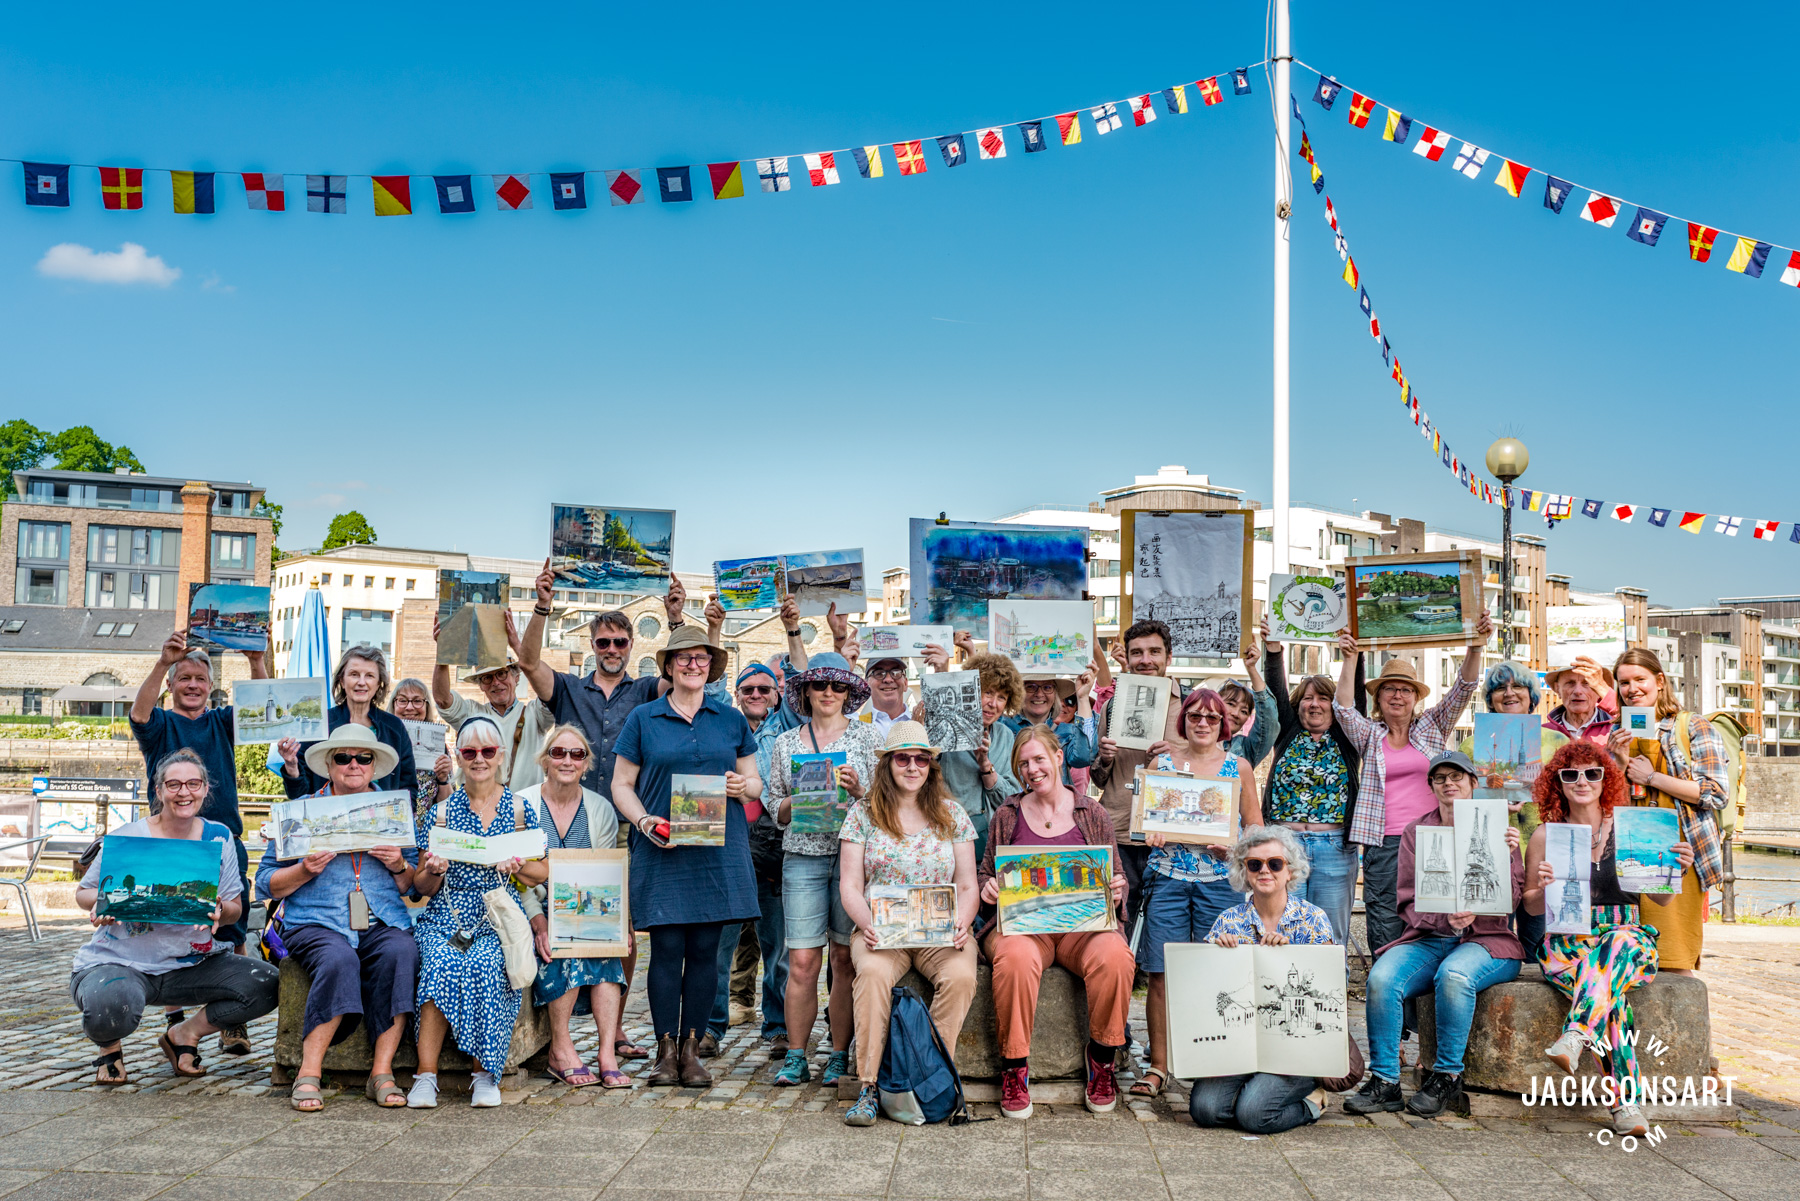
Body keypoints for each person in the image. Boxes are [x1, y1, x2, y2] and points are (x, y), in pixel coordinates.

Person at [517, 559, 720, 1063]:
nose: (611, 650)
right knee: (566, 915)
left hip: (634, 821)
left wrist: (678, 618)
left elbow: (688, 678)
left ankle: (619, 1028)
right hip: (573, 815)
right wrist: (542, 606)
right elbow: (527, 661)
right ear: (593, 645)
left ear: (632, 648)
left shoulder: (646, 690)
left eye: (620, 643)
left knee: (623, 929)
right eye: (603, 642)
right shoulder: (567, 688)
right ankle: (561, 1030)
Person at [608, 626, 762, 1089]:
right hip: (663, 847)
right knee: (668, 950)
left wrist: (742, 786)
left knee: (703, 952)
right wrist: (642, 822)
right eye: (683, 658)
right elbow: (620, 785)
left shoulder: (730, 717)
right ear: (669, 664)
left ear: (711, 665)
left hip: (718, 851)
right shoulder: (644, 718)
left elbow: (755, 783)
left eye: (701, 658)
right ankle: (665, 1050)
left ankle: (693, 1050)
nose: (693, 665)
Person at [71, 749, 279, 1085]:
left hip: (192, 964)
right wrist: (105, 903)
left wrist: (221, 911)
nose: (184, 792)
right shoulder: (129, 835)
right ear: (159, 790)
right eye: (174, 784)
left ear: (206, 789)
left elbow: (235, 907)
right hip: (122, 962)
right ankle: (109, 1049)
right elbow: (83, 893)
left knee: (267, 984)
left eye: (193, 784)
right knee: (108, 1005)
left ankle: (184, 1034)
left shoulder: (219, 836)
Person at [1524, 740, 1693, 1137]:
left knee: (1617, 946)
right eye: (1571, 774)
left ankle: (1577, 1034)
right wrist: (1546, 888)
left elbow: (1661, 899)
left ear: (1606, 778)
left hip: (1627, 933)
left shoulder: (1635, 826)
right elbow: (1530, 906)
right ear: (1558, 783)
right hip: (1569, 939)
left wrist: (1676, 870)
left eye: (1592, 773)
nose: (1582, 781)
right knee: (1610, 998)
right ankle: (1625, 1105)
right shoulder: (1546, 835)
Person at [1347, 750, 1524, 1119]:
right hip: (1430, 938)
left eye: (1457, 776)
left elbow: (1514, 896)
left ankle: (1446, 1076)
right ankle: (1385, 1082)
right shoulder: (1417, 832)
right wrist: (1447, 921)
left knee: (1455, 975)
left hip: (1487, 940)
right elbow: (1408, 898)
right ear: (1431, 786)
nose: (1449, 783)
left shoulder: (1498, 829)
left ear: (1473, 783)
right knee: (1381, 978)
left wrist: (1509, 855)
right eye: (1440, 778)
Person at [260, 726, 420, 1111]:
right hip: (315, 920)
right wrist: (303, 871)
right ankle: (308, 1073)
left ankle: (381, 1072)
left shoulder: (394, 813)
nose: (353, 764)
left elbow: (413, 886)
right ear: (328, 766)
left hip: (380, 917)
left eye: (363, 758)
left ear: (374, 766)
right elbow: (266, 883)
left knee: (403, 951)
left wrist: (399, 864)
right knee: (338, 958)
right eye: (343, 758)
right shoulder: (300, 813)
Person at [978, 727, 1135, 1119]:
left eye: (1038, 760)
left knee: (1116, 955)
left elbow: (1116, 875)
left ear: (1059, 758)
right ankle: (1015, 1068)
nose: (1032, 770)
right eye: (1023, 764)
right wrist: (989, 888)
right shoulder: (1007, 813)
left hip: (1081, 929)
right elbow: (984, 873)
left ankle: (1101, 1059)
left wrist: (1117, 890)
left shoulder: (1091, 812)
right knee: (1014, 957)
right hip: (1023, 928)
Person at [128, 629, 269, 1056]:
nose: (192, 685)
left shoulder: (222, 721)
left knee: (233, 927)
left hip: (224, 836)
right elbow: (138, 712)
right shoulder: (160, 725)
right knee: (174, 927)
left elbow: (263, 710)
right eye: (184, 677)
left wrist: (256, 661)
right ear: (171, 685)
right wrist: (162, 660)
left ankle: (233, 1021)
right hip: (171, 839)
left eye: (200, 679)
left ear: (211, 687)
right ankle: (175, 1022)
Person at [837, 721, 980, 1126]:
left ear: (932, 767)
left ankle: (930, 1077)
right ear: (888, 764)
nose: (913, 766)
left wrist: (963, 923)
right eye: (904, 758)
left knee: (960, 976)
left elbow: (968, 883)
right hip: (882, 931)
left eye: (922, 759)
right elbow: (850, 886)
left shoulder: (951, 813)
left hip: (940, 932)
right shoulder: (863, 813)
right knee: (873, 975)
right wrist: (867, 924)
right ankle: (868, 1086)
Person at [407, 717, 548, 1109]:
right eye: (470, 752)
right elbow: (420, 887)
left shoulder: (520, 809)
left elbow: (542, 870)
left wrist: (517, 865)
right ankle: (425, 1075)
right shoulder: (439, 812)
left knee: (489, 962)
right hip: (447, 914)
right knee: (438, 961)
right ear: (458, 757)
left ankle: (484, 1072)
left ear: (501, 756)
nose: (479, 759)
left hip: (497, 915)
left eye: (488, 751)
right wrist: (433, 871)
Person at [1333, 613, 1491, 959]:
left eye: (1405, 689)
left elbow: (1463, 688)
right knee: (1387, 925)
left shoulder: (1433, 725)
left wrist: (1475, 646)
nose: (1397, 695)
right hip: (1386, 842)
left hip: (1436, 836)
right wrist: (1350, 657)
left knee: (1435, 924)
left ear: (1415, 697)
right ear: (1379, 696)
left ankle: (1429, 1003)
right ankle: (1392, 1002)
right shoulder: (1371, 736)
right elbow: (1343, 708)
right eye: (1390, 688)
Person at [1133, 687, 1264, 1098]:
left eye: (1211, 717)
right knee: (1160, 972)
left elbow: (1256, 825)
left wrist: (1237, 848)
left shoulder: (1238, 767)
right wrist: (1149, 832)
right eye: (1195, 716)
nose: (1202, 723)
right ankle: (1158, 1065)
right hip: (1168, 876)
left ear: (1223, 724)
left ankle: (1212, 1062)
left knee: (1219, 973)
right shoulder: (1162, 764)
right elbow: (1142, 820)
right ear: (1183, 720)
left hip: (1219, 883)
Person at [767, 652, 881, 1086]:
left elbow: (883, 804)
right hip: (802, 856)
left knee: (844, 959)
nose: (829, 693)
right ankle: (796, 1055)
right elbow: (774, 808)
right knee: (801, 961)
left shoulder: (868, 739)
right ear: (806, 692)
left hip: (854, 855)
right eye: (820, 686)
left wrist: (859, 789)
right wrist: (797, 801)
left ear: (849, 694)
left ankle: (837, 1054)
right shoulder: (785, 743)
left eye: (838, 687)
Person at [1189, 826, 1337, 1135]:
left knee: (1254, 1116)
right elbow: (1207, 996)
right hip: (1238, 1047)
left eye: (1275, 863)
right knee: (1204, 1110)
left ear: (1290, 870)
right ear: (1245, 871)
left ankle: (1312, 1102)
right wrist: (1218, 954)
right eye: (1255, 864)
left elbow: (1326, 987)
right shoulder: (1228, 921)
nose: (1265, 870)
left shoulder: (1314, 919)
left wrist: (1288, 957)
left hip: (1294, 1049)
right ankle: (1253, 1092)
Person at [517, 724, 630, 1089]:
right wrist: (539, 921)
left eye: (577, 755)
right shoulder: (521, 804)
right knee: (560, 946)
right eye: (559, 753)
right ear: (544, 761)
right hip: (533, 908)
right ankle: (560, 1048)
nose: (567, 760)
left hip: (585, 906)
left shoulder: (599, 809)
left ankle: (606, 1053)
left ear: (586, 765)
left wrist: (617, 923)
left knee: (605, 947)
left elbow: (606, 873)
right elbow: (515, 878)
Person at [1605, 648, 1727, 976]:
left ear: (1659, 681)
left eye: (1639, 679)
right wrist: (1615, 763)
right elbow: (1605, 805)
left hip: (1677, 849)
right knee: (1624, 962)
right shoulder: (1617, 733)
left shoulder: (1692, 726)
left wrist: (1652, 778)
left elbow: (1715, 793)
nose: (1632, 689)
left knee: (1673, 958)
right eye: (1624, 682)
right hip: (1628, 851)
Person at [1258, 621, 1362, 945]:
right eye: (1307, 698)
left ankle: (1333, 996)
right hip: (1285, 847)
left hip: (1334, 847)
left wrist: (1351, 657)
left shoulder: (1346, 735)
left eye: (1323, 698)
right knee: (1283, 928)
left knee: (1330, 932)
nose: (1314, 704)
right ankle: (1282, 995)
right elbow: (1275, 692)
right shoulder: (1288, 731)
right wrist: (1273, 650)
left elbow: (1355, 699)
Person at [713, 660, 797, 1056]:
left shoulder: (785, 728)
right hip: (728, 842)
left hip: (773, 843)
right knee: (720, 945)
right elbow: (710, 690)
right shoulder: (724, 725)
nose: (757, 695)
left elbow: (799, 684)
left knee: (777, 947)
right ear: (737, 696)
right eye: (748, 690)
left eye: (765, 689)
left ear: (777, 696)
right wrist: (713, 629)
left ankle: (777, 1026)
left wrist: (793, 629)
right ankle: (711, 1028)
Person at [1461, 661, 1566, 963]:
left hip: (1541, 852)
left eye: (1517, 686)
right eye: (1499, 688)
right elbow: (1459, 802)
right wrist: (1494, 801)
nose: (1509, 693)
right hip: (1493, 853)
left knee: (1540, 942)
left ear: (1532, 696)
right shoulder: (1471, 746)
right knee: (1494, 939)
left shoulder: (1556, 741)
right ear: (1490, 700)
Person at [1091, 619, 1182, 928]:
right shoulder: (1113, 706)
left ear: (1169, 657)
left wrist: (1174, 760)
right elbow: (1098, 778)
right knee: (1119, 918)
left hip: (1171, 835)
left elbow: (1212, 768)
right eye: (1137, 653)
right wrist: (1103, 760)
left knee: (1165, 922)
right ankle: (1124, 976)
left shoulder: (1190, 707)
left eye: (1154, 652)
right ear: (1127, 659)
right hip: (1120, 830)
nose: (1145, 660)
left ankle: (1154, 977)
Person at [431, 610, 554, 792]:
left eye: (502, 673)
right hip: (478, 814)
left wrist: (517, 645)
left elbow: (549, 690)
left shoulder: (535, 713)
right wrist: (443, 653)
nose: (496, 682)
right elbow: (442, 699)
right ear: (481, 685)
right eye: (487, 678)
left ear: (516, 677)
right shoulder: (473, 714)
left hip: (524, 814)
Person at [921, 644, 1024, 853]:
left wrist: (986, 766)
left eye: (1002, 697)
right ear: (973, 691)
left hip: (994, 839)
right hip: (950, 835)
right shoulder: (947, 726)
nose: (993, 703)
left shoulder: (1004, 735)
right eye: (988, 692)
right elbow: (926, 777)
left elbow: (1012, 798)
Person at [283, 645, 417, 799]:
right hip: (326, 818)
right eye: (354, 674)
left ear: (379, 682)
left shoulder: (394, 728)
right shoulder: (320, 723)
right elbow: (298, 795)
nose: (361, 682)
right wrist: (291, 767)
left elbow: (408, 788)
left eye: (369, 676)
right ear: (341, 679)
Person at [1000, 672, 1098, 789]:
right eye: (1031, 687)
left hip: (1056, 807)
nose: (1039, 694)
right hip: (1013, 806)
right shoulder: (1002, 727)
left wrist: (1082, 698)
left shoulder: (1066, 732)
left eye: (1047, 687)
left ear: (1055, 695)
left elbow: (1084, 757)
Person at [391, 677, 452, 812]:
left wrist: (443, 779)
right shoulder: (382, 740)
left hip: (426, 830)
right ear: (393, 705)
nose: (410, 707)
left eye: (417, 701)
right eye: (402, 700)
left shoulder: (439, 747)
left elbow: (447, 806)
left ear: (426, 706)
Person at [1544, 656, 1618, 745]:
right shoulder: (1543, 733)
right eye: (1570, 683)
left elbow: (1632, 717)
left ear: (1599, 690)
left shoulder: (1615, 728)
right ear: (1558, 689)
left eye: (1587, 683)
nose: (1578, 691)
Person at [856, 656, 912, 738]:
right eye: (879, 673)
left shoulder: (923, 724)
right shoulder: (855, 727)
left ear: (906, 683)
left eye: (896, 673)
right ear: (866, 685)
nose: (888, 679)